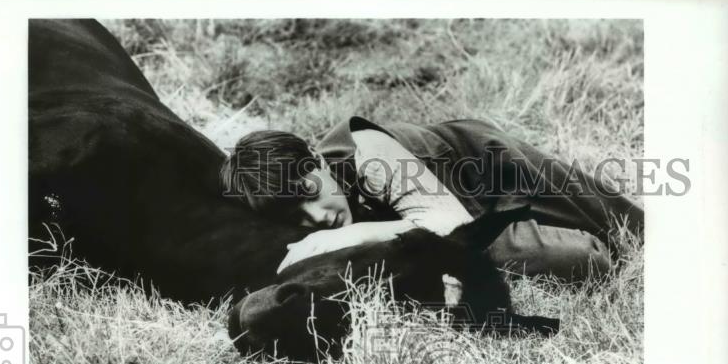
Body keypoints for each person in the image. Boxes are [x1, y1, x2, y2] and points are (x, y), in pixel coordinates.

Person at [220, 115, 643, 281]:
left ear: (314, 161)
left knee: (603, 248)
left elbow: (449, 228)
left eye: (310, 193)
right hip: (455, 214)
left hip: (489, 174)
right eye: (297, 214)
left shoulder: (370, 161)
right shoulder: (293, 204)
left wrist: (335, 239)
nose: (317, 216)